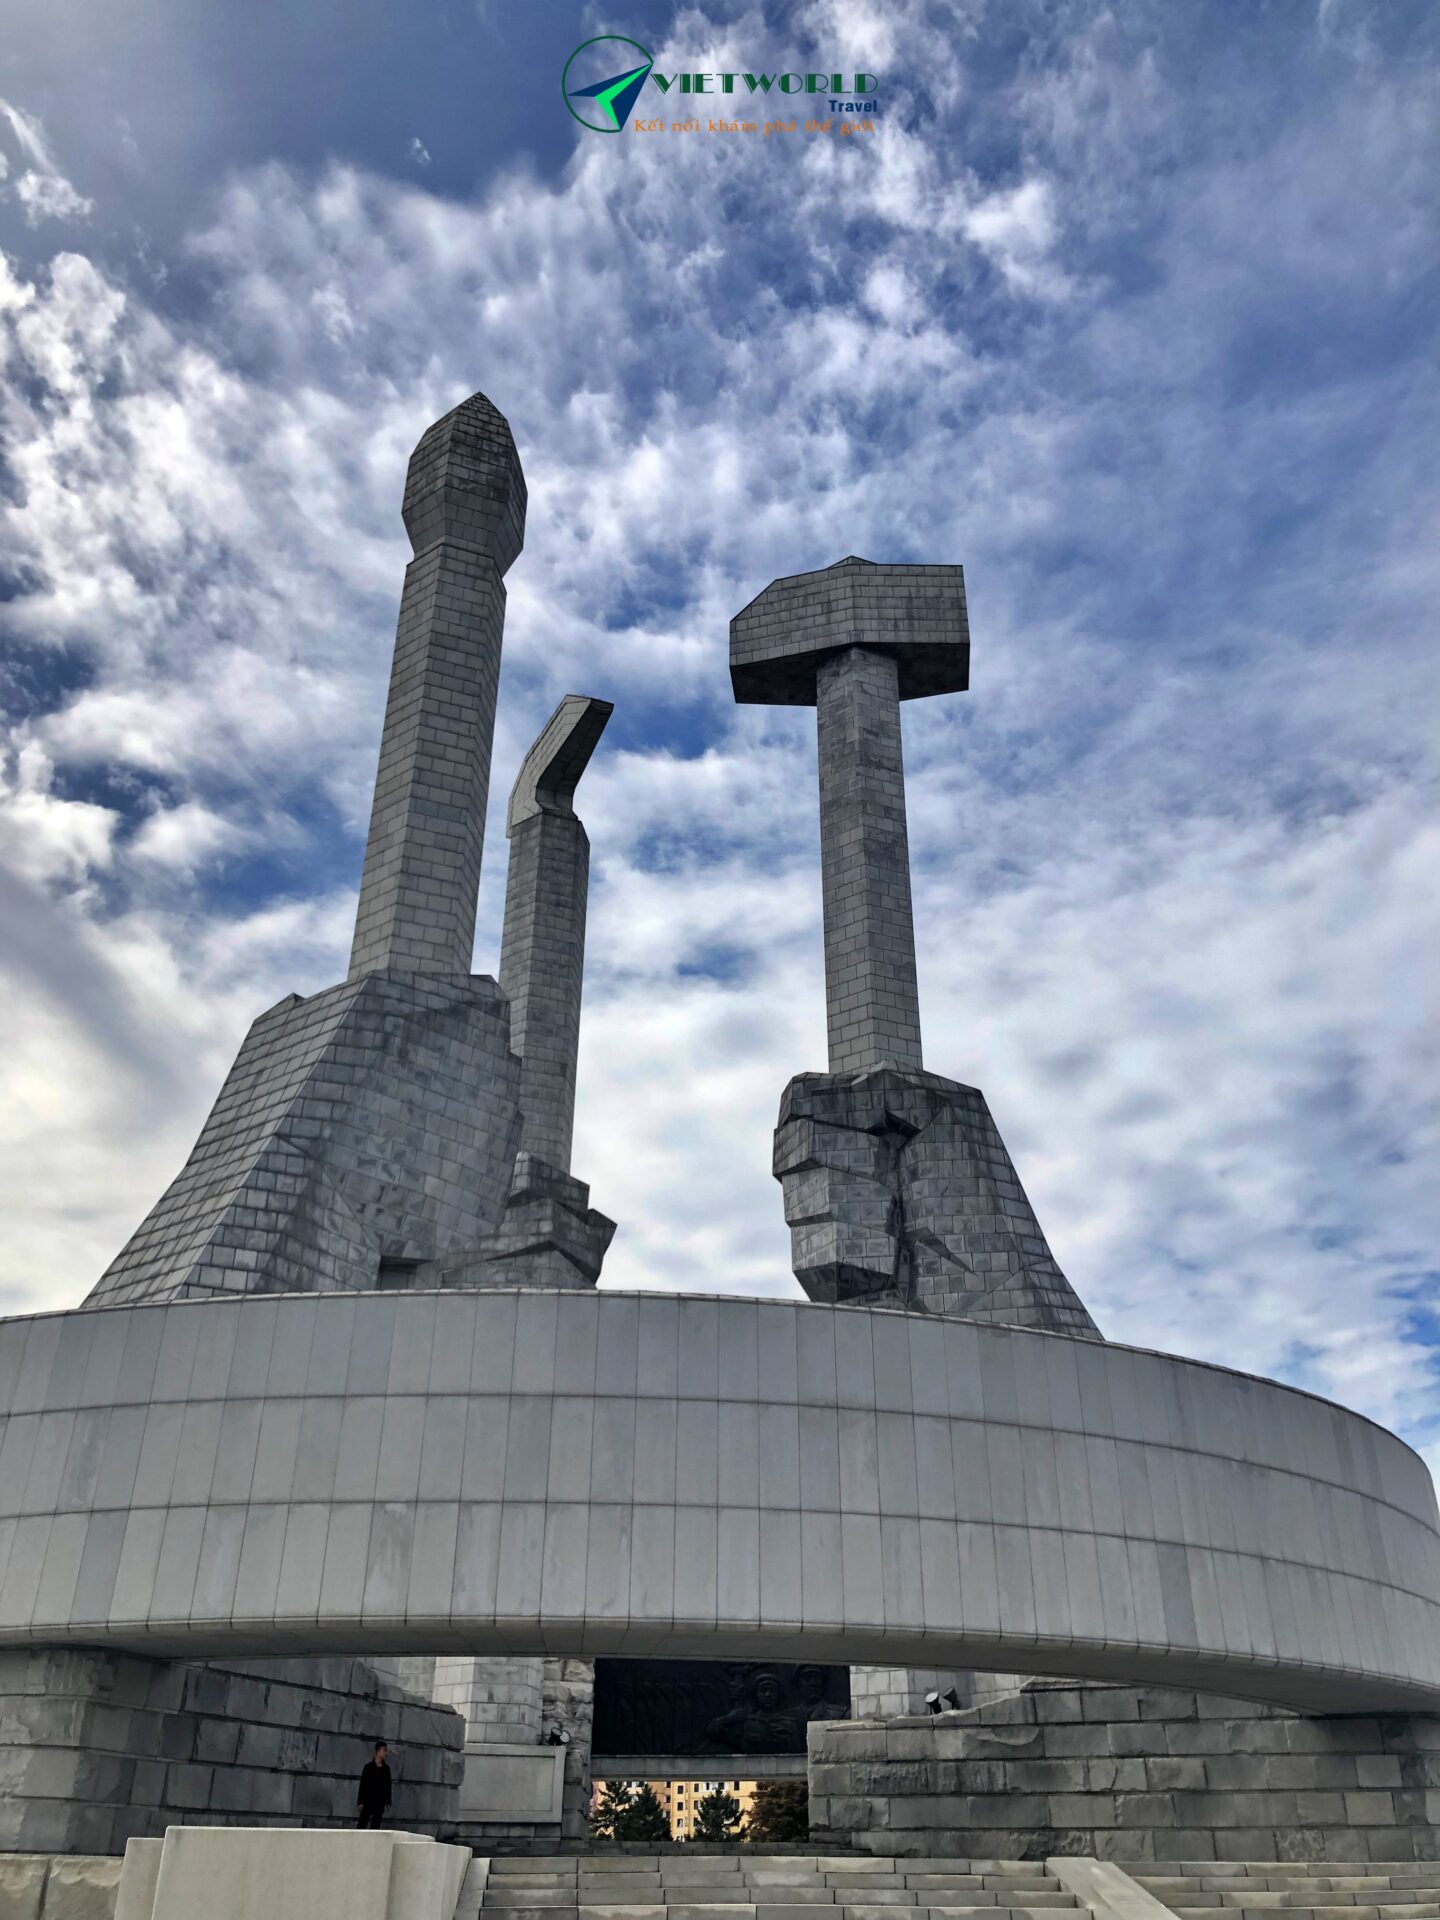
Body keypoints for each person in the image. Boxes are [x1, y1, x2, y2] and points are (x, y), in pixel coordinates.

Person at [356, 1740, 392, 1829]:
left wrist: (388, 1801)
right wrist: (360, 1801)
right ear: (378, 1751)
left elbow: (388, 1786)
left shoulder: (386, 1769)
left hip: (379, 1801)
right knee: (362, 1824)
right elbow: (363, 1785)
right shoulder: (368, 1767)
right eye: (384, 1750)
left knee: (376, 1825)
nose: (386, 1753)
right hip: (368, 1800)